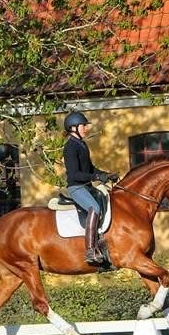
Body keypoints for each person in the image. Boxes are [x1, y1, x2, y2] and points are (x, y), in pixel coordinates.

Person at [63, 111, 119, 264]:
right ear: (73, 128)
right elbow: (75, 175)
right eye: (83, 126)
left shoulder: (81, 144)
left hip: (86, 187)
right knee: (95, 207)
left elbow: (90, 169)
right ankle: (90, 250)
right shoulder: (70, 147)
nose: (86, 129)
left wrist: (105, 175)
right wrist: (95, 177)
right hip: (76, 188)